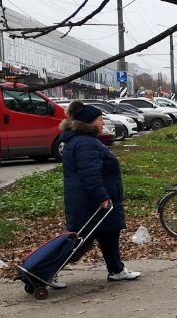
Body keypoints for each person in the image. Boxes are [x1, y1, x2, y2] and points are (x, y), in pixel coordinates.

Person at [60, 104, 140, 284]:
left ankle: (116, 270)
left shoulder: (82, 140)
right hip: (91, 202)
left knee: (108, 234)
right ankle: (45, 271)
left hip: (88, 199)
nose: (102, 122)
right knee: (79, 241)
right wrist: (102, 197)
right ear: (89, 122)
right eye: (99, 119)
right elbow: (89, 174)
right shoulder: (86, 143)